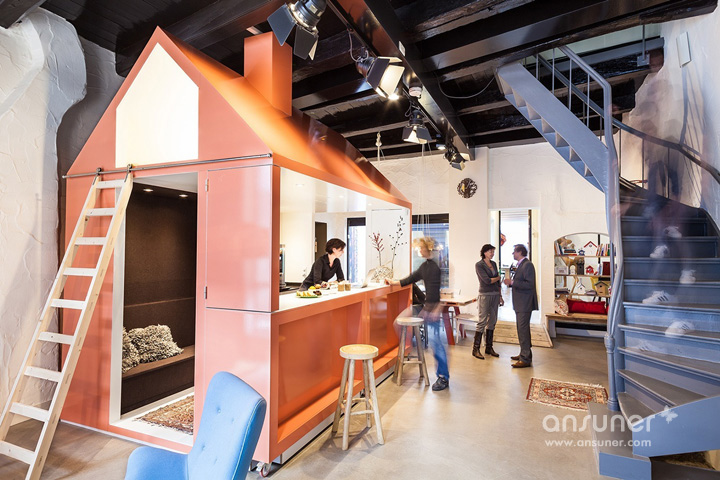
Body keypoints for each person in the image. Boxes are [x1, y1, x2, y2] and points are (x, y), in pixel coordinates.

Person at [386, 237, 449, 391]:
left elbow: (439, 291)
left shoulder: (435, 266)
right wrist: (393, 282)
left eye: (421, 248)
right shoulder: (425, 266)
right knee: (398, 322)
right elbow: (411, 279)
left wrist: (435, 309)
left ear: (428, 248)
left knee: (436, 343)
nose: (419, 250)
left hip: (431, 308)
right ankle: (411, 348)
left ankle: (443, 377)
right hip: (425, 307)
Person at [503, 244, 538, 368]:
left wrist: (512, 282)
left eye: (514, 252)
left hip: (524, 303)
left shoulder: (527, 265)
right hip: (521, 302)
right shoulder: (521, 265)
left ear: (520, 252)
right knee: (521, 329)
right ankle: (524, 353)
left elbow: (529, 284)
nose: (513, 254)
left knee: (523, 329)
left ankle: (525, 358)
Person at [473, 244, 503, 359]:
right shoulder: (479, 265)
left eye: (493, 251)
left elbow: (497, 283)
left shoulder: (494, 264)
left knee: (493, 321)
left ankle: (489, 347)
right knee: (482, 321)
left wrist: (500, 296)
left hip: (495, 295)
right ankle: (475, 349)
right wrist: (498, 278)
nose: (492, 253)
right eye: (490, 251)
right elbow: (486, 281)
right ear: (484, 252)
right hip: (485, 295)